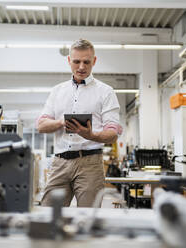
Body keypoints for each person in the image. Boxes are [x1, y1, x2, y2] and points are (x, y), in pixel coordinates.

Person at [37, 39, 122, 207]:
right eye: (76, 61)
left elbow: (112, 134)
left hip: (90, 163)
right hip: (59, 162)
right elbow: (41, 125)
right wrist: (62, 122)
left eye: (86, 62)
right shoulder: (57, 91)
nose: (81, 67)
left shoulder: (106, 92)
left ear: (94, 61)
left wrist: (91, 135)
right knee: (48, 213)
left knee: (89, 217)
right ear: (69, 61)